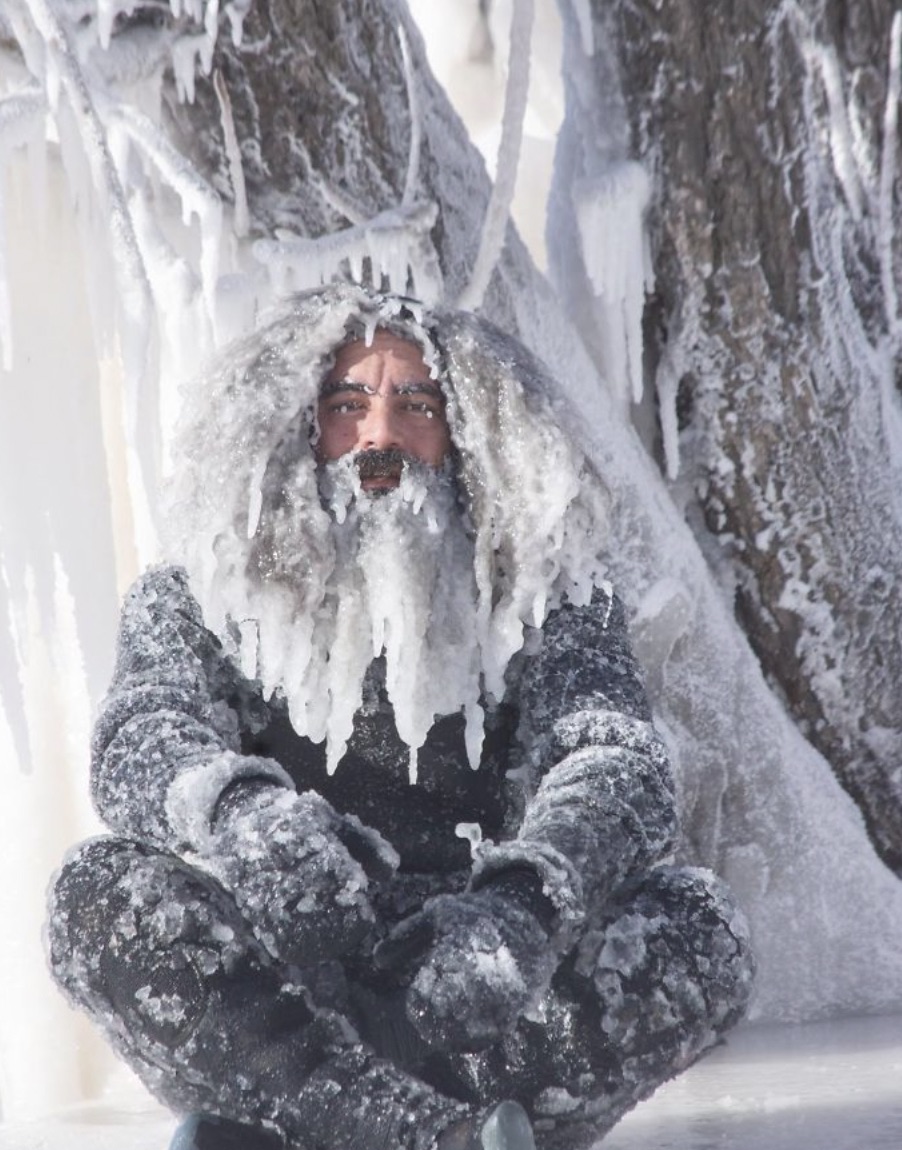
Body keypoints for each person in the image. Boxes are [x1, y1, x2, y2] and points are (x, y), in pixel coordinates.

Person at [46, 282, 755, 1150]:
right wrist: (248, 822)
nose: (379, 437)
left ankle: (317, 1125)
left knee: (701, 927)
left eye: (416, 405)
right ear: (295, 426)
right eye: (348, 405)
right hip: (288, 994)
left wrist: (521, 908)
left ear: (469, 434)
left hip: (480, 1007)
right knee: (92, 896)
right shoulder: (204, 590)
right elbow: (140, 736)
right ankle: (402, 1127)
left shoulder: (547, 593)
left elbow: (615, 760)